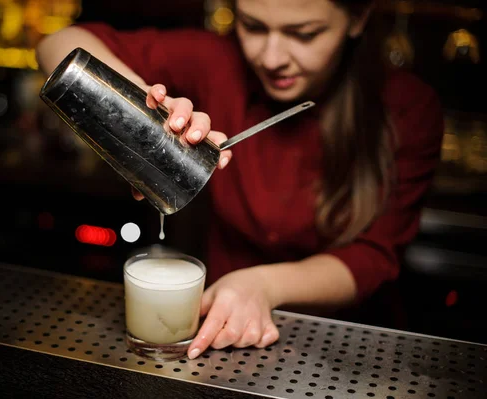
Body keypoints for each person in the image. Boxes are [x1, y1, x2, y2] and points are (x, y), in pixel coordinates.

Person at [36, 0, 444, 360]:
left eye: (304, 33)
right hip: (219, 339)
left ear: (358, 17)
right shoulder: (216, 59)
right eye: (252, 26)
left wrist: (265, 286)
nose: (271, 56)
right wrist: (147, 114)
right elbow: (59, 43)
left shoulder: (408, 107)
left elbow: (376, 256)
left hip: (345, 349)